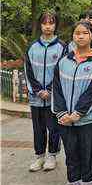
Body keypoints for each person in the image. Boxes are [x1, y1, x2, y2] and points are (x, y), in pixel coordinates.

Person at [52, 21, 92, 185]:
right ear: (73, 36)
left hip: (87, 119)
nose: (80, 36)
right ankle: (72, 184)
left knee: (87, 151)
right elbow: (57, 88)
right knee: (70, 152)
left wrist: (77, 114)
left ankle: (87, 184)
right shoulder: (64, 61)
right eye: (77, 33)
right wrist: (61, 113)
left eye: (85, 33)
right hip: (65, 119)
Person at [25, 11, 65, 172]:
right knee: (38, 128)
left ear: (56, 25)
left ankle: (52, 156)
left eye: (51, 23)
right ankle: (39, 156)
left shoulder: (62, 47)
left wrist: (49, 90)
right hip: (36, 98)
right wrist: (37, 90)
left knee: (53, 128)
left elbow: (62, 71)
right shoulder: (32, 47)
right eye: (44, 23)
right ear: (40, 25)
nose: (48, 26)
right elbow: (28, 71)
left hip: (53, 98)